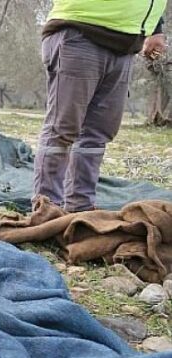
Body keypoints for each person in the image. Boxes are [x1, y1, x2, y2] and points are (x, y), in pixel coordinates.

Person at [34, 0, 167, 212]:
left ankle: (80, 208)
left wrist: (156, 27)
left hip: (125, 45)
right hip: (80, 31)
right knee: (62, 129)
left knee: (97, 134)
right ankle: (47, 209)